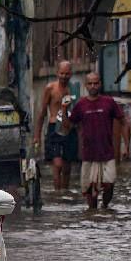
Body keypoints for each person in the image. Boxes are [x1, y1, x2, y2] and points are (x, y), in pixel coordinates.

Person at [64, 72, 130, 210]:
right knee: (90, 190)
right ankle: (93, 215)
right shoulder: (81, 104)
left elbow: (123, 122)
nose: (93, 86)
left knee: (109, 184)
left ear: (100, 84)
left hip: (107, 153)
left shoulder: (108, 102)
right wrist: (64, 109)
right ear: (86, 85)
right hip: (89, 154)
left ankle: (105, 207)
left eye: (96, 83)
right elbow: (68, 126)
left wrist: (126, 146)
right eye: (90, 83)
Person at [33, 60, 78, 193]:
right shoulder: (50, 88)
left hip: (69, 128)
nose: (64, 76)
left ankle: (64, 192)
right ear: (57, 73)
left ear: (71, 74)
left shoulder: (74, 88)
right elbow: (42, 113)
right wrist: (37, 136)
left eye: (67, 73)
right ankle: (57, 192)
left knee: (67, 166)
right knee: (57, 164)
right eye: (62, 73)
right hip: (54, 128)